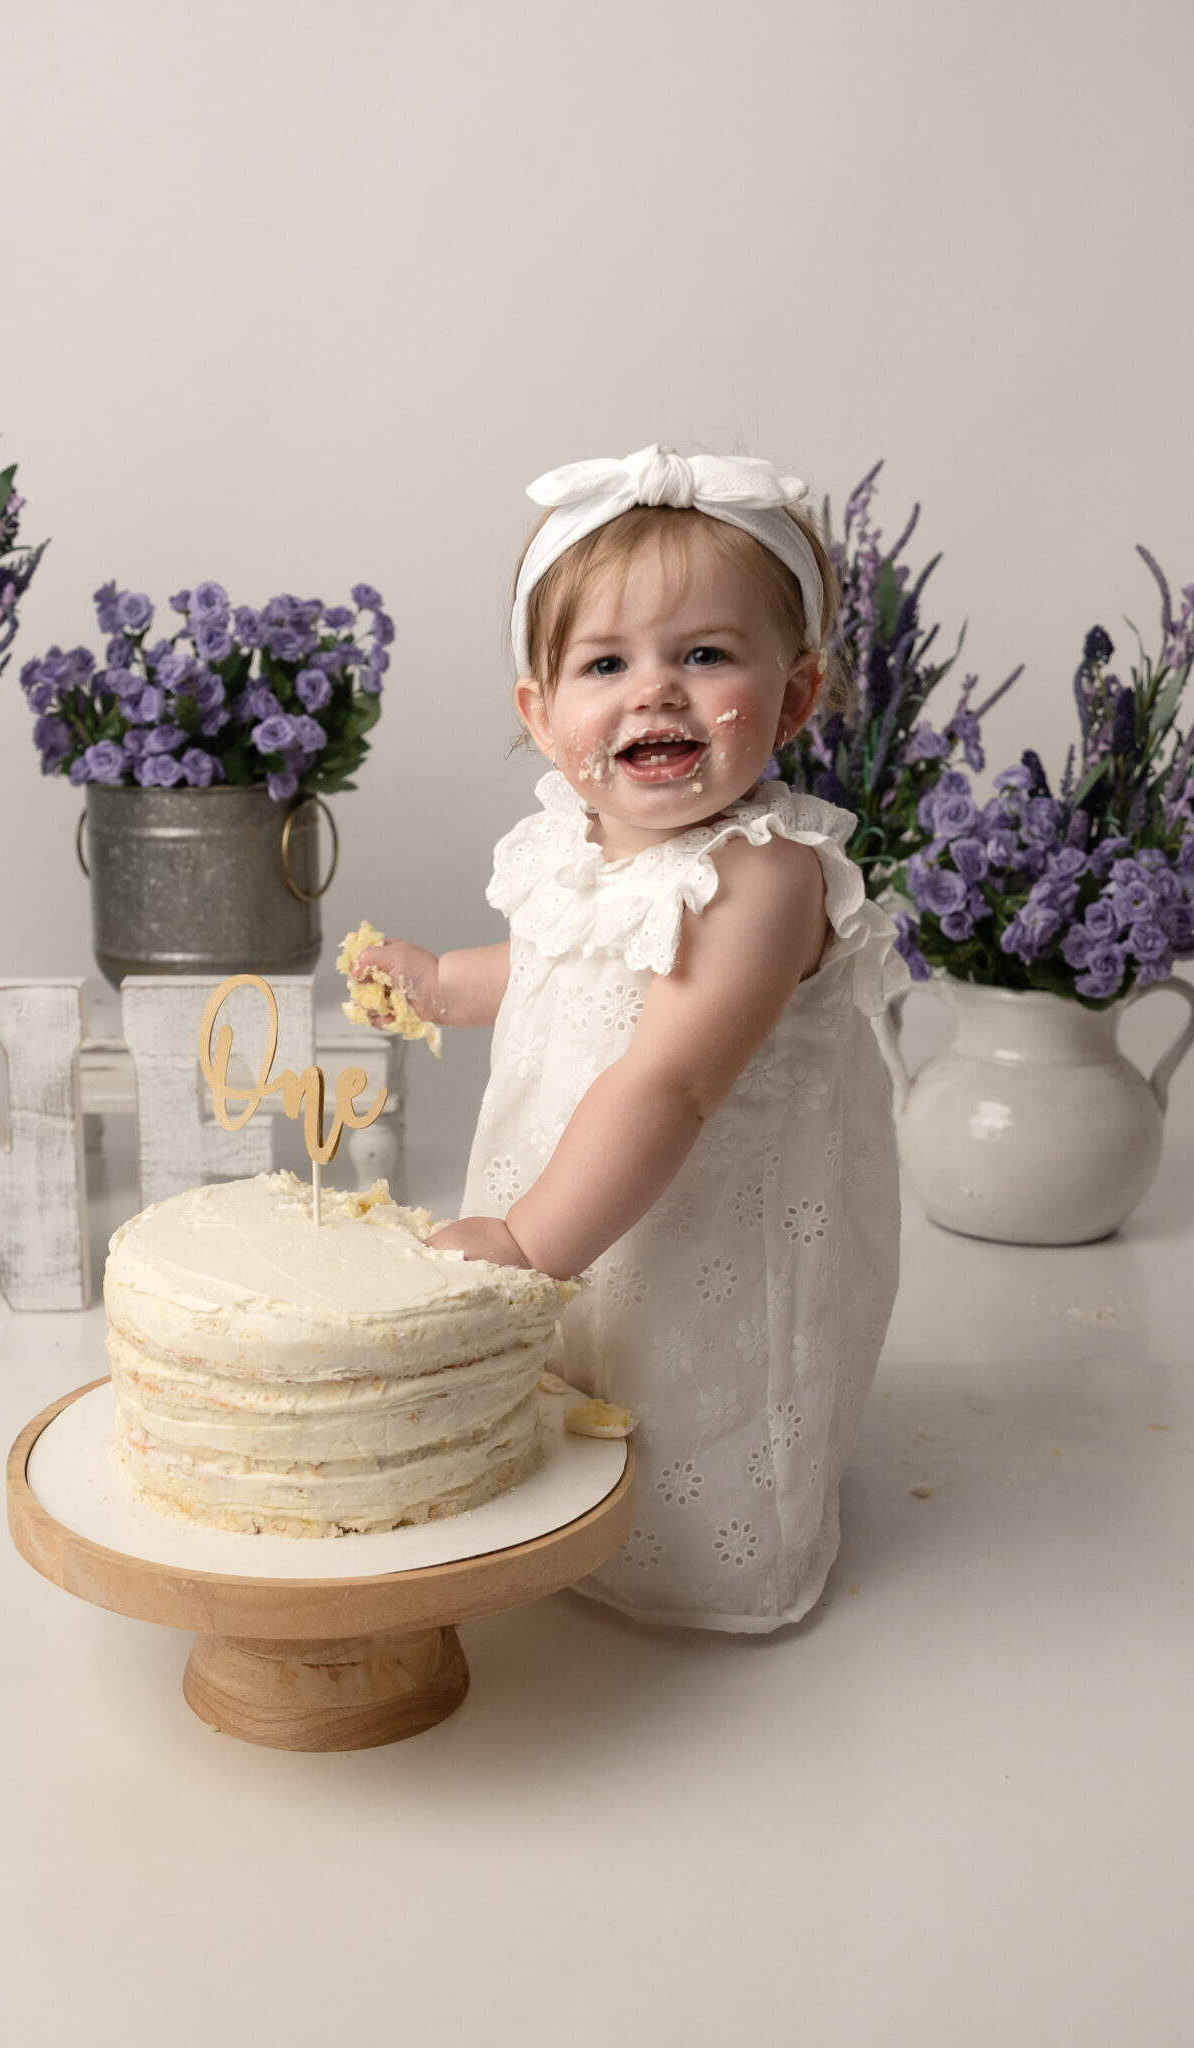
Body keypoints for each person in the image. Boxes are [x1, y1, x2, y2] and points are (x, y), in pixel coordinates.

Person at [358, 445, 905, 1631]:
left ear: (796, 695)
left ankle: (706, 1569)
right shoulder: (580, 843)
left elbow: (666, 1079)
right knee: (579, 1372)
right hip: (579, 1193)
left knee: (683, 1381)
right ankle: (558, 1534)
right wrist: (447, 983)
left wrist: (525, 1234)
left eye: (703, 654)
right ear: (541, 712)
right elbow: (571, 964)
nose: (652, 689)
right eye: (604, 662)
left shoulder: (762, 878)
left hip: (697, 1206)